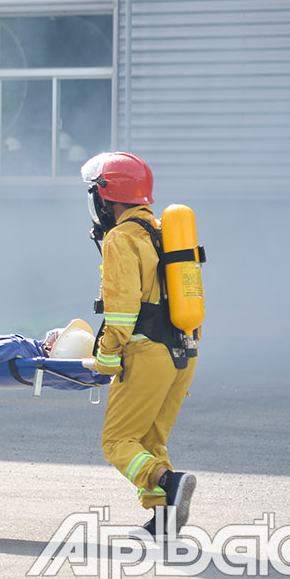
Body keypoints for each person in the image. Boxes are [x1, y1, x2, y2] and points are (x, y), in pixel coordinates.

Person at [82, 151, 198, 539]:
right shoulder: (166, 233)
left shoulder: (122, 238)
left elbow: (121, 312)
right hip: (184, 351)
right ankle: (163, 522)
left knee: (117, 441)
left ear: (106, 196)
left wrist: (106, 358)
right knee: (148, 440)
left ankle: (167, 480)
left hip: (147, 353)